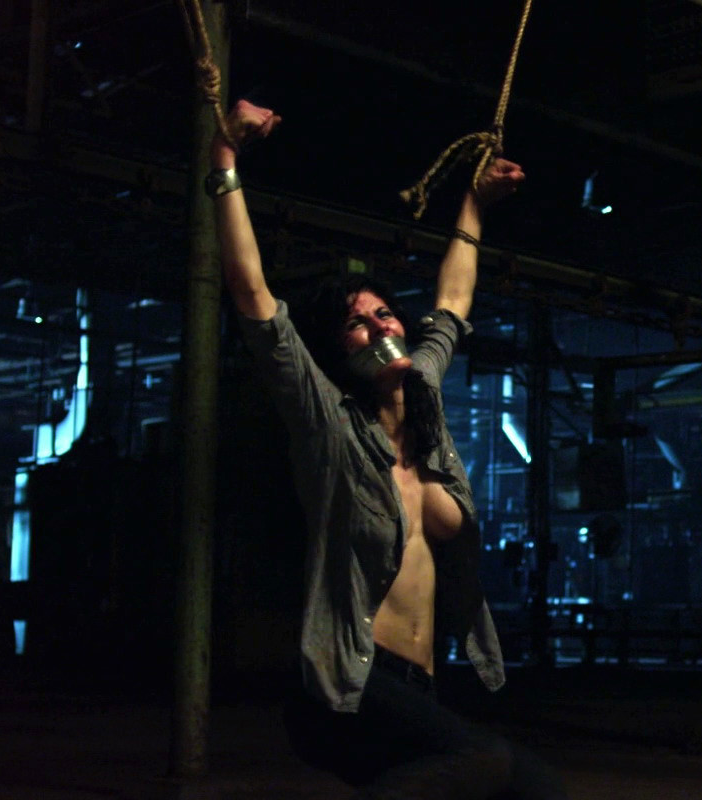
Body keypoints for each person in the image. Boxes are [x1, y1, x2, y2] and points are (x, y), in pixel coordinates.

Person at [209, 99, 563, 800]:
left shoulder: (425, 395)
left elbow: (453, 301)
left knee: (521, 786)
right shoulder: (329, 425)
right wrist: (224, 161)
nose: (378, 327)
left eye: (383, 312)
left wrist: (474, 204)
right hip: (346, 683)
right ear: (337, 354)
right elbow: (253, 298)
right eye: (356, 324)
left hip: (418, 687)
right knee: (494, 765)